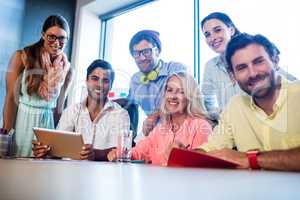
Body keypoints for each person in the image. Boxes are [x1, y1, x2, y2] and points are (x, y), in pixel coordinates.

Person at [197, 33, 300, 171]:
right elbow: (212, 149)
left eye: (258, 61)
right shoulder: (235, 106)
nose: (252, 74)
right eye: (242, 68)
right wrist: (182, 155)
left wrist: (251, 159)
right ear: (232, 76)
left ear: (275, 61)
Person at [201, 12, 297, 118]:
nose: (212, 37)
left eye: (217, 30)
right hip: (232, 128)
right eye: (207, 34)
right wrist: (219, 119)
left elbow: (290, 82)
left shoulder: (252, 55)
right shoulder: (210, 66)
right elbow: (207, 101)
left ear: (231, 30)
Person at [2, 15, 72, 157]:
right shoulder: (22, 57)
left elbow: (58, 110)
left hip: (47, 128)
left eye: (62, 38)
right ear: (43, 35)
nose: (57, 43)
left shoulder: (68, 70)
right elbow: (10, 99)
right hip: (22, 123)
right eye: (51, 37)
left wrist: (58, 143)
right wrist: (6, 136)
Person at [32, 59, 130, 161]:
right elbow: (58, 146)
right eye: (95, 78)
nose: (99, 85)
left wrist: (95, 154)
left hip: (104, 173)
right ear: (87, 81)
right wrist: (46, 151)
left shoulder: (121, 114)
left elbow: (122, 149)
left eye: (105, 81)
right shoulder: (71, 111)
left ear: (111, 85)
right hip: (71, 172)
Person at [108, 72, 212, 165]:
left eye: (181, 92)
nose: (173, 96)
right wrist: (119, 153)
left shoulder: (201, 126)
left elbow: (202, 165)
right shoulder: (159, 130)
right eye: (169, 90)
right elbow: (138, 152)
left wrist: (182, 156)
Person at [116, 30, 187, 136]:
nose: (142, 58)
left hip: (182, 131)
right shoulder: (135, 79)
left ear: (157, 51)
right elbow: (132, 105)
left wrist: (155, 115)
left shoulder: (176, 69)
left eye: (146, 52)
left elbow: (186, 100)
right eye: (136, 53)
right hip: (155, 135)